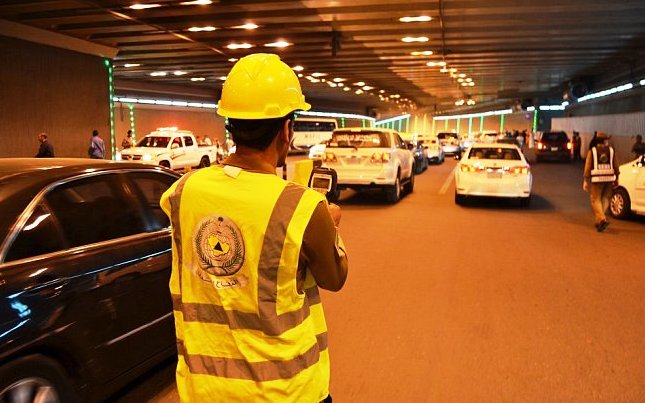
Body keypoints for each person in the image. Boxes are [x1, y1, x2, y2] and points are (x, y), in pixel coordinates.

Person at [160, 53, 348, 403]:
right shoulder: (303, 207)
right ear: (287, 130)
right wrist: (329, 224)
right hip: (286, 392)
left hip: (205, 391)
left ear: (230, 125)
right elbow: (335, 278)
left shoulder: (182, 192)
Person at [583, 131, 619, 232]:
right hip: (609, 179)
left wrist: (585, 180)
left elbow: (588, 166)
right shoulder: (611, 151)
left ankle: (602, 219)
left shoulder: (593, 151)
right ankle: (599, 221)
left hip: (597, 180)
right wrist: (617, 177)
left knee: (595, 199)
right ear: (604, 141)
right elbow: (616, 165)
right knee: (606, 198)